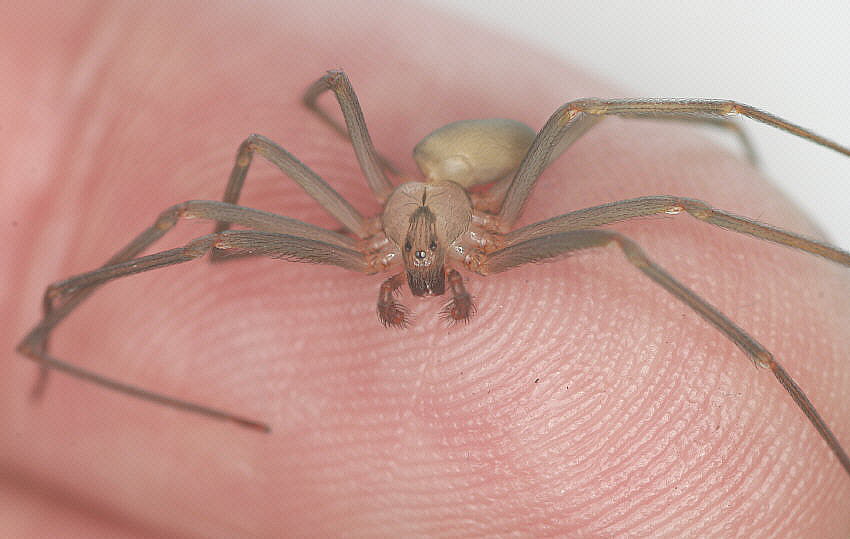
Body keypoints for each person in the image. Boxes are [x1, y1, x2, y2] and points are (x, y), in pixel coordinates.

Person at [4, 1, 848, 535]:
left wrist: (728, 123)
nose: (420, 269)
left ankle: (788, 310)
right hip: (410, 192)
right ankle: (48, 333)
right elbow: (274, 129)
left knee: (641, 193)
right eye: (417, 258)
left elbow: (619, 188)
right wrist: (195, 243)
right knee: (195, 223)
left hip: (486, 178)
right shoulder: (370, 230)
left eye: (423, 257)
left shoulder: (492, 226)